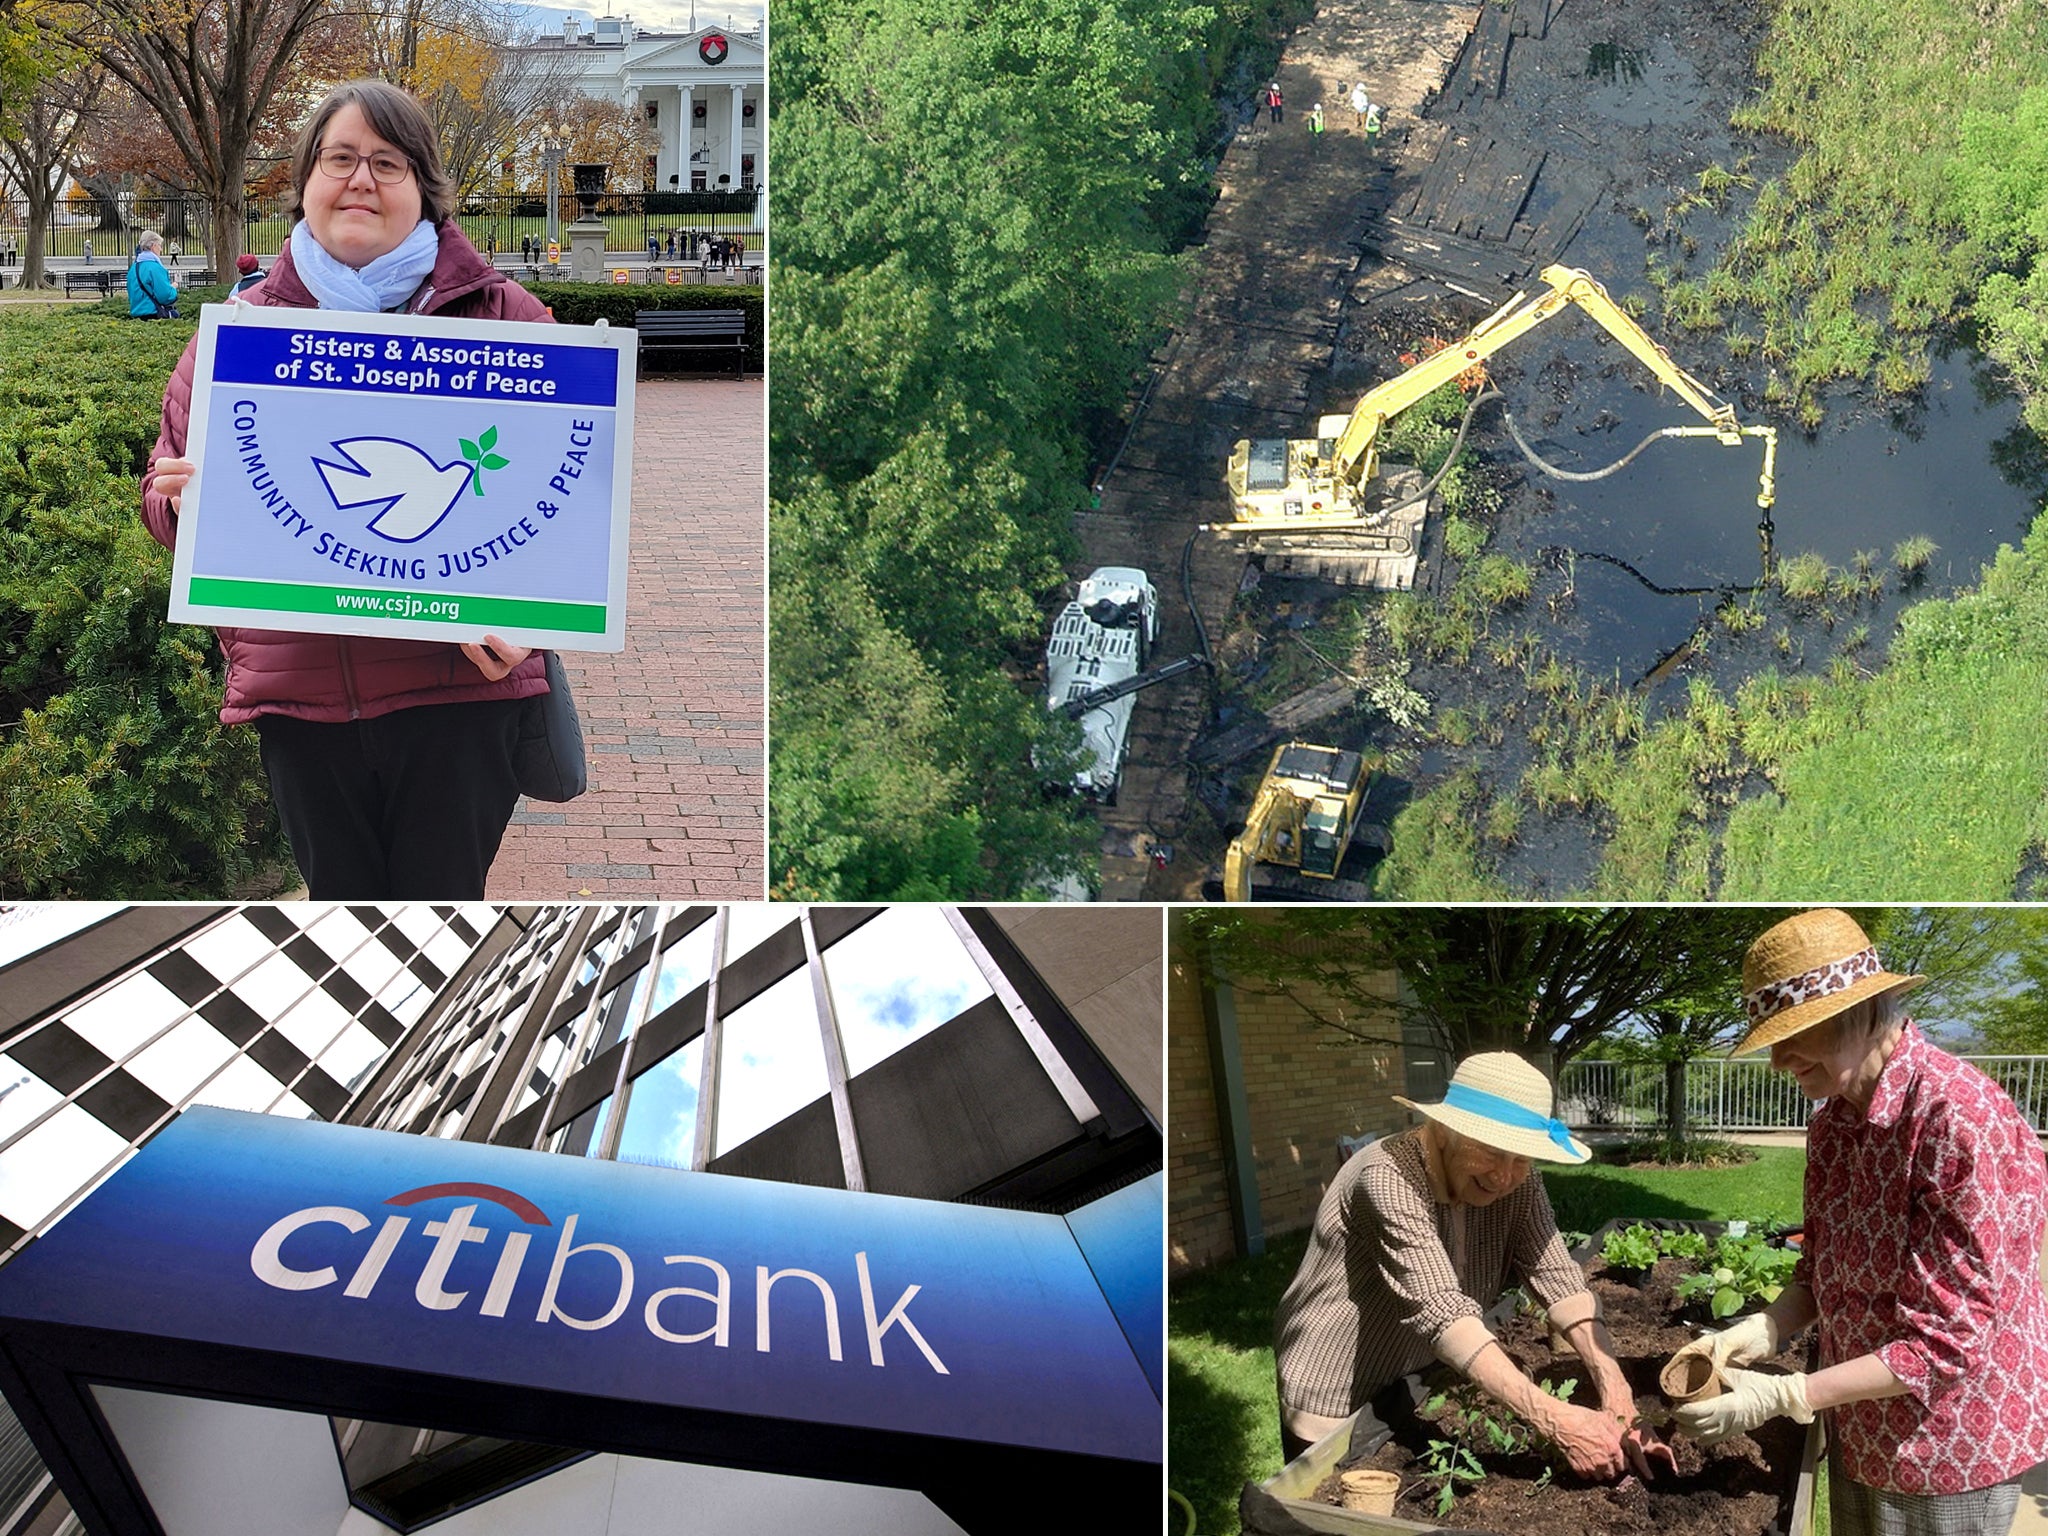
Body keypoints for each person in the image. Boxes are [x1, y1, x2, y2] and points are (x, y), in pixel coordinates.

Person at [141, 79, 556, 899]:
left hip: (458, 696)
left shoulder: (505, 318)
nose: (361, 179)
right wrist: (179, 503)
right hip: (303, 707)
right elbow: (162, 493)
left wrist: (532, 620)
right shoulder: (239, 334)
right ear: (305, 182)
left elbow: (559, 509)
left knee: (440, 909)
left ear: (425, 190)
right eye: (340, 159)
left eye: (387, 162)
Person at [1667, 908, 2048, 1534]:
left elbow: (1943, 1344)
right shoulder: (1835, 1121)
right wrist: (1760, 1329)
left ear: (1859, 1013)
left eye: (1795, 1033)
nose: (1778, 1061)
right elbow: (1820, 1273)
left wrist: (1784, 1395)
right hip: (1861, 1422)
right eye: (1771, 1039)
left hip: (1950, 1445)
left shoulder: (1955, 1119)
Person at [1273, 1052, 1676, 1479]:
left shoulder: (1522, 1183)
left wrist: (1616, 1389)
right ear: (1445, 1130)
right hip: (1338, 1386)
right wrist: (1556, 1420)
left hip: (1415, 1371)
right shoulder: (1387, 1175)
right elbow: (1441, 1308)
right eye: (1490, 1151)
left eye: (1522, 1157)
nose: (1504, 1176)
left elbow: (1558, 1277)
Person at [126, 230, 181, 318]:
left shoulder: (133, 268)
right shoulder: (155, 268)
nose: (161, 249)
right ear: (153, 246)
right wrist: (173, 288)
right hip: (154, 314)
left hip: (136, 315)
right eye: (160, 245)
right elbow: (165, 296)